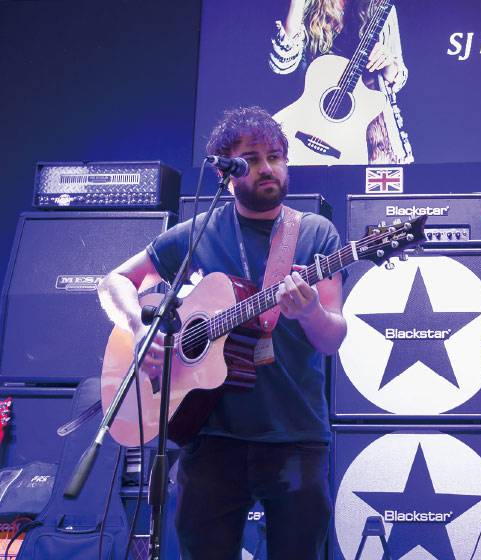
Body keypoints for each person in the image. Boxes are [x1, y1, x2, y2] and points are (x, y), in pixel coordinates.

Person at [97, 106, 347, 559]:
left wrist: (310, 311)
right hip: (209, 436)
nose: (267, 168)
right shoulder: (197, 233)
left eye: (275, 156)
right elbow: (115, 282)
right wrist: (139, 327)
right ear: (224, 171)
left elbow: (331, 338)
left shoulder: (315, 234)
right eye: (251, 159)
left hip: (294, 435)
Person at [269, 0, 412, 163]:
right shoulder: (306, 5)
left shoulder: (380, 6)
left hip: (370, 135)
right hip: (308, 129)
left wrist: (388, 63)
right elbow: (282, 65)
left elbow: (398, 79)